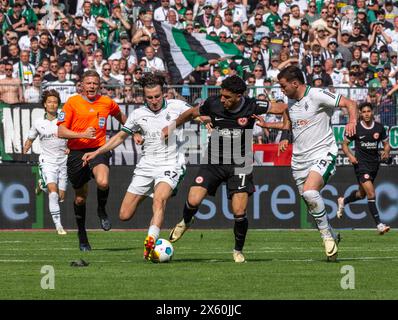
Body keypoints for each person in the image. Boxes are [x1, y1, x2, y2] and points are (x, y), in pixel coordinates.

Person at [162, 75, 288, 263]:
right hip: (214, 161)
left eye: (227, 97)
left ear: (239, 96)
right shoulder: (213, 103)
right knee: (193, 199)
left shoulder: (253, 105)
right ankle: (186, 221)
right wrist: (170, 127)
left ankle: (238, 250)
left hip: (240, 163)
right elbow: (191, 113)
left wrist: (285, 133)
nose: (223, 100)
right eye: (221, 96)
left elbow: (284, 108)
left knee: (239, 212)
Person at [82, 73, 201, 261]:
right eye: (149, 97)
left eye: (157, 96)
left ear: (164, 93)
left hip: (170, 164)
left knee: (159, 201)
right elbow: (119, 137)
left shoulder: (177, 106)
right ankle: (152, 193)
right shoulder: (138, 114)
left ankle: (151, 241)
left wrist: (208, 122)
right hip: (146, 166)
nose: (154, 101)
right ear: (144, 96)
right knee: (124, 215)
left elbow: (197, 113)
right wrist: (96, 153)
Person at [275, 66, 358, 261]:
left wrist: (352, 120)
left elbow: (349, 102)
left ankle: (327, 237)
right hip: (299, 161)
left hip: (323, 153)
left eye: (283, 85)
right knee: (310, 202)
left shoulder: (317, 94)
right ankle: (333, 233)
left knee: (311, 192)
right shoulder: (291, 99)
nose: (281, 89)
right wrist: (284, 135)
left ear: (295, 83)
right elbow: (287, 117)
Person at [57, 70, 127, 251]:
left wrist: (132, 131)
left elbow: (123, 119)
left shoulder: (107, 102)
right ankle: (82, 236)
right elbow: (61, 132)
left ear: (99, 85)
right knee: (80, 198)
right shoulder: (72, 102)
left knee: (103, 182)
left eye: (95, 83)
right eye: (88, 83)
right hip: (76, 153)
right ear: (81, 85)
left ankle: (101, 210)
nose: (92, 86)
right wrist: (82, 134)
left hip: (98, 149)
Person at [337, 102, 391, 235]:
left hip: (374, 165)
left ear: (372, 112)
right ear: (360, 113)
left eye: (369, 111)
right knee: (371, 194)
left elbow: (387, 144)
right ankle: (379, 224)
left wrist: (386, 151)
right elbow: (344, 145)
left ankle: (343, 201)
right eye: (364, 112)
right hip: (361, 165)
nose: (366, 114)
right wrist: (350, 155)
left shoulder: (379, 127)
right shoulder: (355, 128)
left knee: (361, 195)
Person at [23, 90, 68, 235]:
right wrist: (26, 146)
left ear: (58, 104)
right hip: (47, 161)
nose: (52, 104)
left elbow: (72, 136)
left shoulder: (65, 118)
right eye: (49, 101)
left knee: (61, 197)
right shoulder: (38, 122)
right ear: (44, 104)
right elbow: (30, 138)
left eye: (55, 101)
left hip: (63, 160)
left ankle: (41, 185)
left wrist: (70, 147)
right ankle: (59, 226)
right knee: (53, 193)